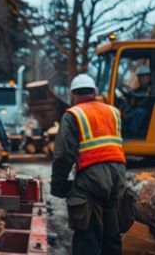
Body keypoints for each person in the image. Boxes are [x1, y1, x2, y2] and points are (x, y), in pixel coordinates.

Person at [51, 74, 131, 255]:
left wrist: (58, 185)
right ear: (95, 92)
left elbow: (64, 155)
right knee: (112, 233)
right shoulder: (114, 111)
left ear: (72, 95)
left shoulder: (73, 114)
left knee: (88, 233)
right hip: (118, 175)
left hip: (92, 177)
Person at [128, 66, 155, 136]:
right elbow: (132, 102)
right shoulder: (137, 90)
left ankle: (132, 133)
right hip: (136, 108)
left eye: (147, 78)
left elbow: (152, 102)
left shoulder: (154, 89)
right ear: (139, 79)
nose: (145, 80)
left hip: (149, 111)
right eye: (143, 78)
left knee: (139, 112)